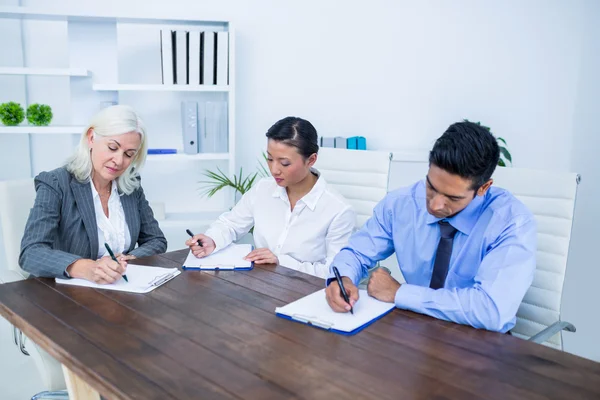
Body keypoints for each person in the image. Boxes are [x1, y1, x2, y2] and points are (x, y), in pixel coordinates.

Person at [325, 121, 536, 333]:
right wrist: (342, 278)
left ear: (483, 188)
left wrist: (400, 293)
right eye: (431, 187)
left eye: (452, 198)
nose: (434, 205)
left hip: (478, 342)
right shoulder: (400, 204)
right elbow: (357, 253)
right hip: (416, 329)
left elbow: (492, 310)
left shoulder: (511, 223)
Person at [185, 116, 355, 279]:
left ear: (311, 160)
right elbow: (230, 224)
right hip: (261, 286)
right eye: (270, 159)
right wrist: (212, 240)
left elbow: (336, 273)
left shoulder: (338, 210)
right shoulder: (263, 189)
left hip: (307, 294)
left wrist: (282, 262)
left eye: (285, 163)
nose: (274, 170)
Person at [20, 105, 167, 283]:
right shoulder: (56, 183)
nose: (119, 161)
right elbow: (30, 252)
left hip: (116, 289)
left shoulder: (131, 185)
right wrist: (84, 267)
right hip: (61, 295)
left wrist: (128, 259)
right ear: (91, 137)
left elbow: (156, 240)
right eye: (112, 148)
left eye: (129, 154)